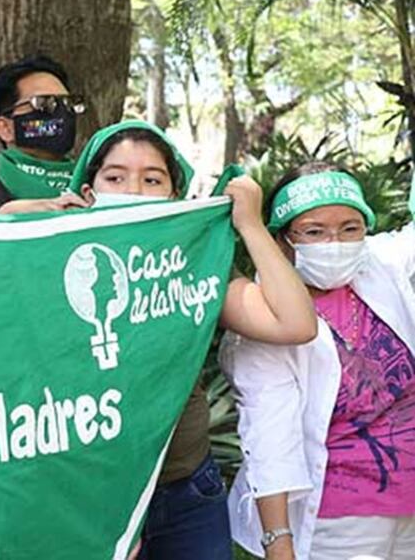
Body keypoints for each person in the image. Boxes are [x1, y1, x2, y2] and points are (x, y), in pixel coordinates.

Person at [65, 120, 318, 560]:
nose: (133, 191)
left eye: (152, 180)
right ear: (88, 193)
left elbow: (294, 323)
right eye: (115, 178)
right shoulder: (56, 262)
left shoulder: (192, 264)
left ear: (174, 196)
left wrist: (251, 226)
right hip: (89, 495)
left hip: (186, 490)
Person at [222, 162, 415, 560]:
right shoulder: (264, 316)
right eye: (314, 232)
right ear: (282, 240)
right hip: (340, 525)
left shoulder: (380, 264)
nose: (335, 243)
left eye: (350, 228)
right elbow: (269, 437)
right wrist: (279, 543)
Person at [0, 55, 85, 216]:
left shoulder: (96, 190)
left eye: (68, 103)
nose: (62, 113)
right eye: (43, 103)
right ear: (5, 128)